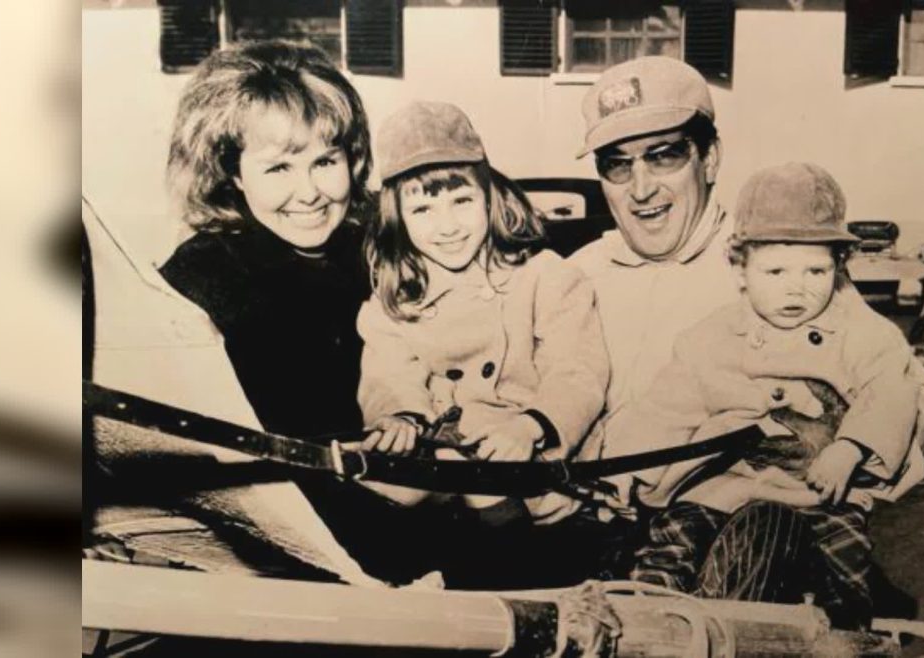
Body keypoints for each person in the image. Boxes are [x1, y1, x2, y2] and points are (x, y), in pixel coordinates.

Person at [601, 162, 924, 629]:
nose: (797, 288)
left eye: (816, 271)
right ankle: (649, 617)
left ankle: (848, 633)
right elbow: (665, 409)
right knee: (673, 539)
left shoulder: (863, 332)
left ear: (840, 268)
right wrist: (623, 471)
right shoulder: (712, 337)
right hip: (723, 483)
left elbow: (891, 390)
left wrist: (851, 447)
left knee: (845, 561)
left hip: (818, 489)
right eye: (775, 271)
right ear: (740, 269)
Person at [155, 41, 437, 584]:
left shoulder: (381, 247)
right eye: (279, 168)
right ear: (233, 174)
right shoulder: (202, 275)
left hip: (417, 515)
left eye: (325, 162)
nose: (308, 193)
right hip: (291, 550)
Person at [356, 102, 611, 586]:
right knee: (384, 484)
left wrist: (532, 426)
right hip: (444, 450)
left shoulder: (545, 277)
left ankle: (513, 583)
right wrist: (400, 417)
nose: (447, 226)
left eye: (461, 201)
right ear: (397, 217)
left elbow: (577, 371)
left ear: (490, 197)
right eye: (423, 209)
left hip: (531, 452)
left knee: (476, 486)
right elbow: (389, 374)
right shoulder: (395, 302)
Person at [568, 56, 740, 459]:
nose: (641, 189)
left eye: (663, 156)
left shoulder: (771, 269)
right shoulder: (575, 277)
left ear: (709, 159)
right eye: (617, 165)